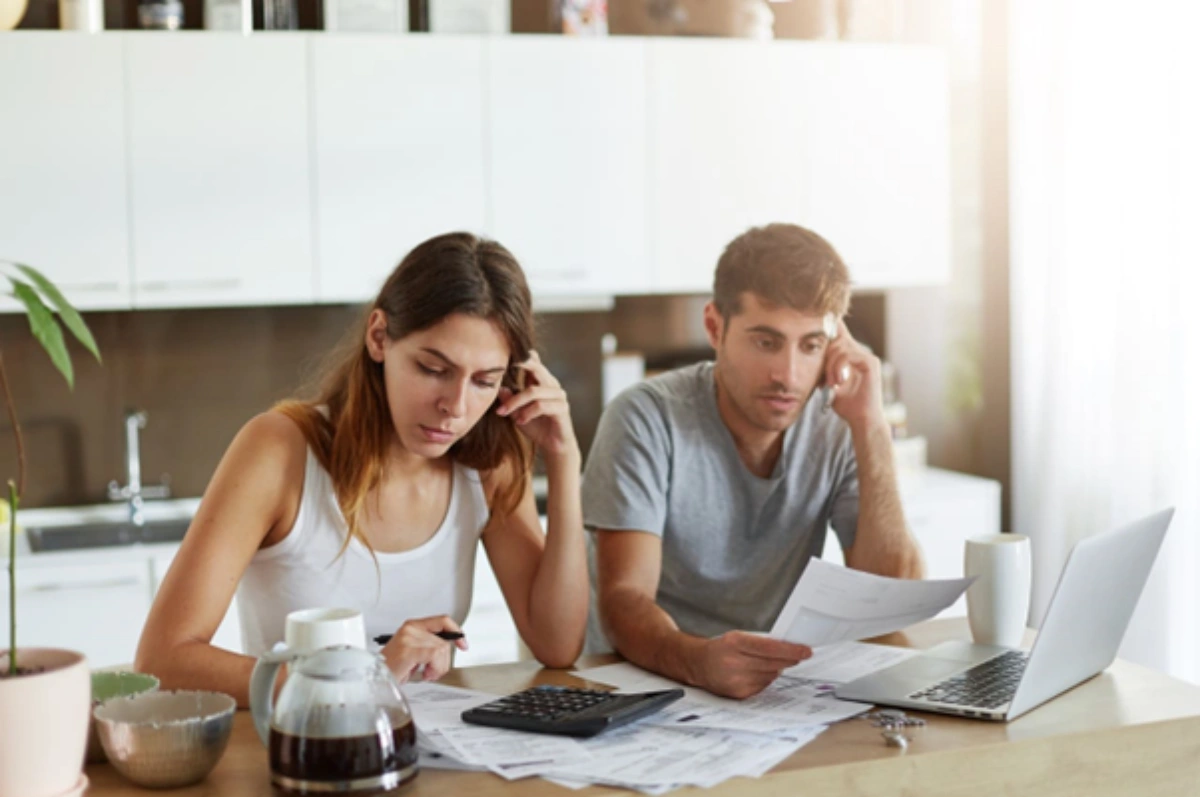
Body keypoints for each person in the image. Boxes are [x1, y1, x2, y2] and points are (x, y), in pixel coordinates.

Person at [136, 232, 588, 706]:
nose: (454, 407)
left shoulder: (484, 467)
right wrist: (364, 675)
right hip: (304, 756)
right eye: (433, 369)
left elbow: (557, 644)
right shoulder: (280, 452)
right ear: (379, 337)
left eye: (484, 381)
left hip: (429, 757)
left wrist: (563, 459)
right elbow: (163, 663)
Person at [583, 223, 924, 700]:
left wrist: (871, 427)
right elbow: (623, 601)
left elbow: (889, 596)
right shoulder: (645, 418)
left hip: (773, 683)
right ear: (714, 327)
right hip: (646, 680)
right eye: (766, 342)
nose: (787, 375)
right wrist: (698, 662)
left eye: (810, 345)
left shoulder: (838, 422)